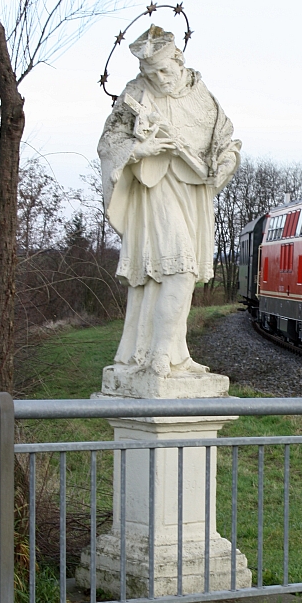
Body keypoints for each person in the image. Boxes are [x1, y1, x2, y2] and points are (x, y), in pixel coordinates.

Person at [98, 24, 241, 378]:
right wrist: (139, 149)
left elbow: (227, 142)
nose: (158, 78)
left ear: (179, 60)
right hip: (155, 188)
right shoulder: (136, 93)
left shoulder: (202, 96)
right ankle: (159, 356)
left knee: (177, 275)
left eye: (163, 70)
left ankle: (176, 352)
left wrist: (223, 163)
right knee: (179, 269)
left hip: (192, 193)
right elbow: (108, 143)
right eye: (150, 72)